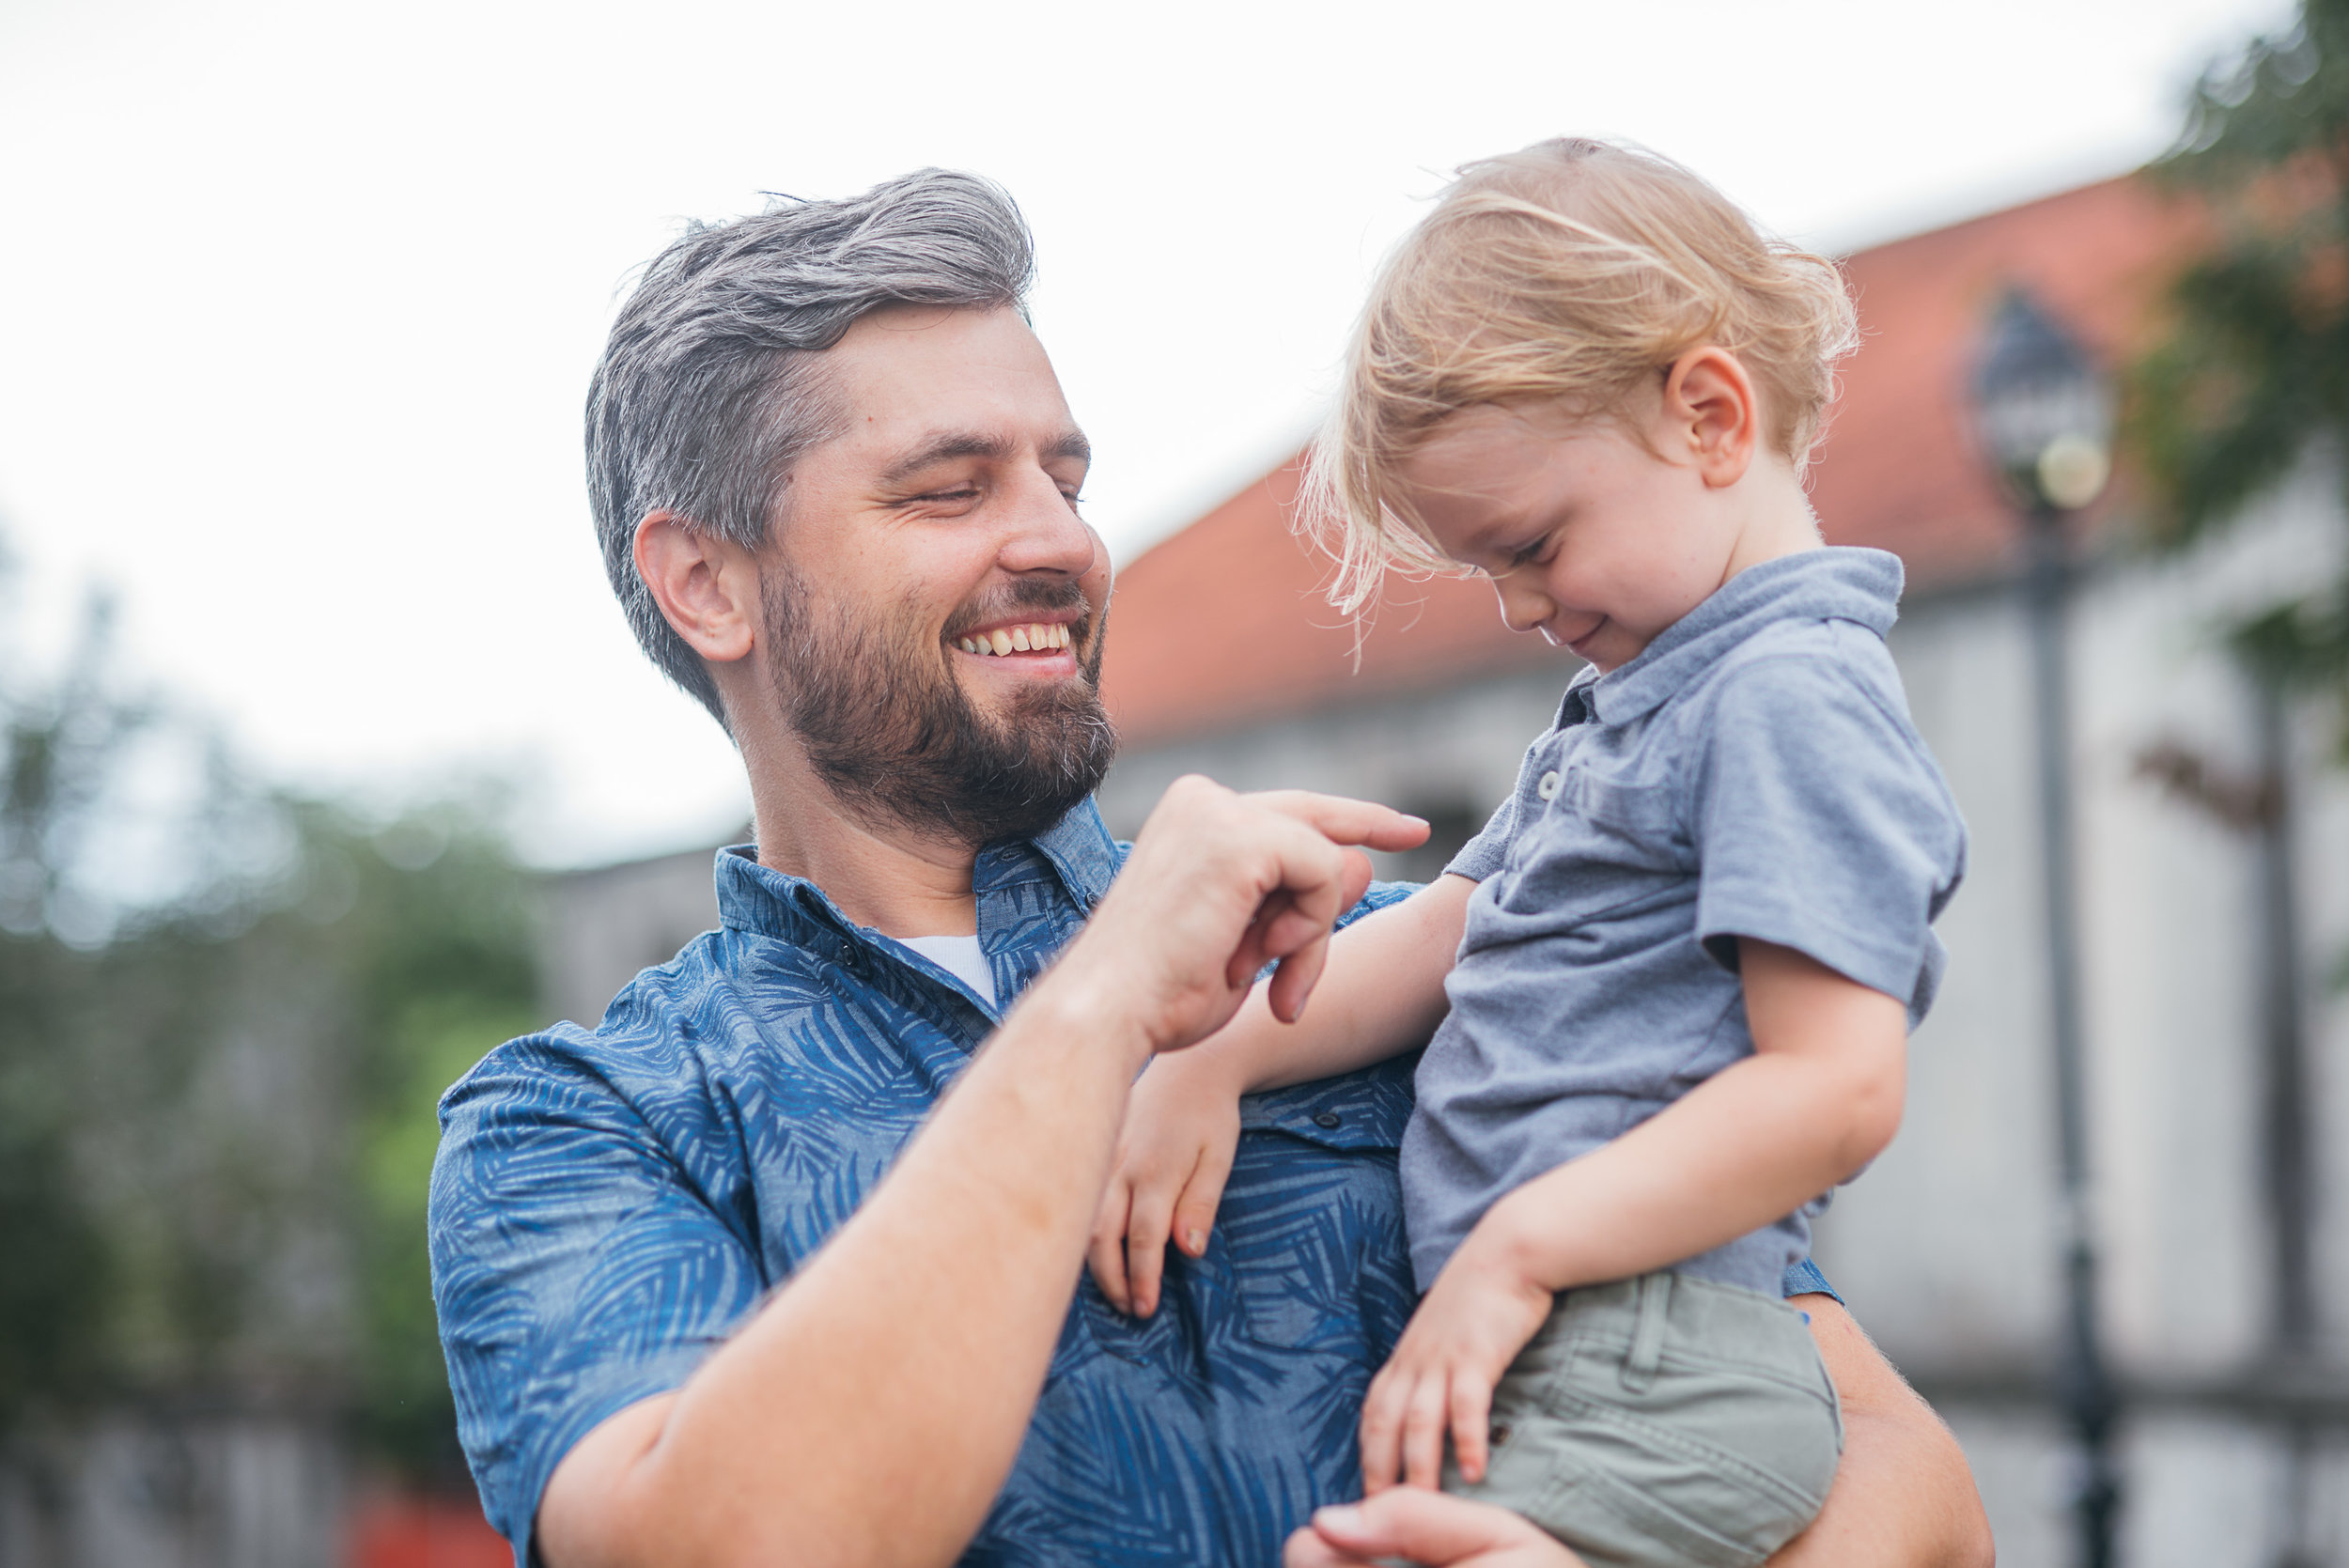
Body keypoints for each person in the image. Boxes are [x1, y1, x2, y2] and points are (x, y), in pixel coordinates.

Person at [426, 167, 1993, 1568]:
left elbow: (1909, 1487)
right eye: (951, 487)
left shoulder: (1388, 975)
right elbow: (732, 1548)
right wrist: (1101, 1005)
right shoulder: (583, 1129)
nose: (1060, 541)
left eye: (1068, 476)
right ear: (706, 580)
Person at [1089, 139, 1967, 1568]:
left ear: (1708, 416)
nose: (1513, 606)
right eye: (1488, 566)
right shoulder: (1645, 701)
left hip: (1654, 1359)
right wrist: (1215, 1056)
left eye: (1534, 543)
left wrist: (1520, 1245)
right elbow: (1447, 934)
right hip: (1581, 1351)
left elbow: (1840, 1086)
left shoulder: (1787, 693)